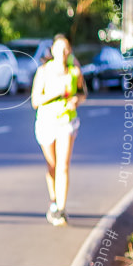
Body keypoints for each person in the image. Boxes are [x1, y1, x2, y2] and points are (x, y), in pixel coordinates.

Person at [30, 34, 86, 225]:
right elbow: (35, 101)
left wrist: (76, 100)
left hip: (66, 122)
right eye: (58, 49)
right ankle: (53, 200)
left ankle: (61, 209)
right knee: (52, 166)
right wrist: (55, 93)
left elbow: (83, 93)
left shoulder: (74, 72)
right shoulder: (44, 71)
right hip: (46, 122)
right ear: (52, 51)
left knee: (63, 166)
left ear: (69, 51)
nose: (62, 53)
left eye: (66, 49)